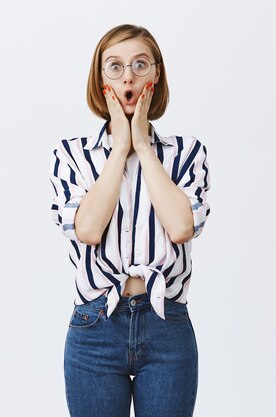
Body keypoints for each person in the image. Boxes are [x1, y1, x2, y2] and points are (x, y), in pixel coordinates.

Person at [48, 24, 211, 417]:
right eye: (115, 67)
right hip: (95, 329)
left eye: (140, 65)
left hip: (166, 325)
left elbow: (180, 227)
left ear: (156, 75)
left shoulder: (186, 154)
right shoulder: (72, 156)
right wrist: (120, 147)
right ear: (100, 79)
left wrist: (142, 145)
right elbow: (86, 230)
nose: (129, 78)